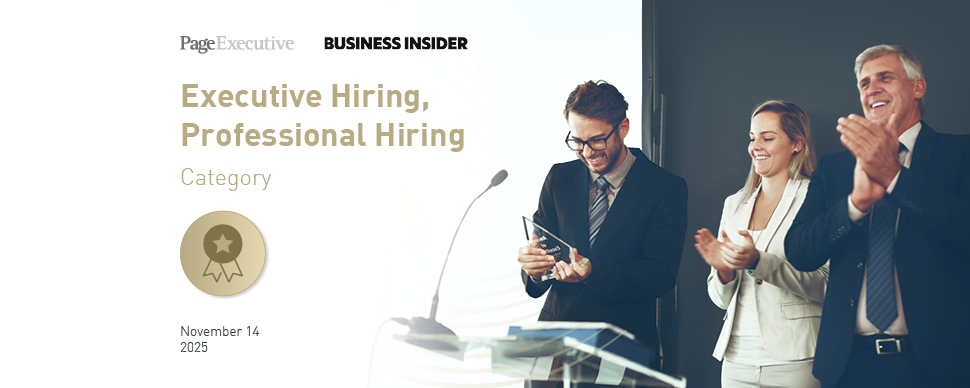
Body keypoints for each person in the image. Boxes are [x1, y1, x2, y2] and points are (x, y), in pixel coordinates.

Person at [785, 45, 970, 387]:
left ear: (918, 87)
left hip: (939, 367)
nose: (872, 89)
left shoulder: (961, 154)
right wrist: (854, 204)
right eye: (865, 83)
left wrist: (896, 178)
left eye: (885, 78)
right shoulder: (835, 167)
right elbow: (799, 251)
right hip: (849, 366)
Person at [516, 80, 688, 384]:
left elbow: (660, 275)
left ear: (623, 127)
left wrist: (593, 272)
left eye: (596, 140)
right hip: (554, 343)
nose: (586, 152)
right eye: (577, 141)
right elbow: (542, 261)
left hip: (619, 345)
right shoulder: (559, 177)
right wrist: (533, 269)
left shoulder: (665, 188)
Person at [695, 100, 826, 387]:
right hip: (736, 361)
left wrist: (758, 263)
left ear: (797, 144)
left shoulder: (816, 199)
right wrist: (724, 271)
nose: (756, 146)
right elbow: (720, 300)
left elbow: (827, 286)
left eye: (768, 137)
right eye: (753, 138)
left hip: (795, 361)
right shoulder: (734, 204)